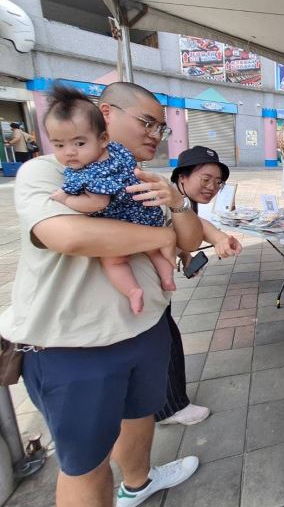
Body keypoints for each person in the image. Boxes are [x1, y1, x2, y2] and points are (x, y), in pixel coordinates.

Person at [0, 81, 204, 507]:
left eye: (161, 127)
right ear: (107, 115)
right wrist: (157, 233)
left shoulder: (141, 177)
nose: (155, 134)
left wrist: (178, 206)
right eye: (147, 122)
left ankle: (140, 481)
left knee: (140, 416)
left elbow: (187, 242)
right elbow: (68, 234)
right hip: (73, 347)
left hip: (145, 328)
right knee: (86, 465)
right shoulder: (52, 172)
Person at [44, 90, 177, 314]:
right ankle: (167, 279)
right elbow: (68, 237)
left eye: (79, 143)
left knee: (114, 262)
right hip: (145, 216)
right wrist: (162, 235)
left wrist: (66, 198)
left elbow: (97, 203)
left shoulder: (89, 173)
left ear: (102, 139)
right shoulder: (120, 154)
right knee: (155, 251)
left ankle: (133, 291)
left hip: (120, 224)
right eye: (58, 145)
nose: (70, 153)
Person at [152, 145, 242, 427]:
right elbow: (185, 225)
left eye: (217, 182)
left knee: (168, 341)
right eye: (205, 179)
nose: (212, 187)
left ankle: (167, 405)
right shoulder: (166, 195)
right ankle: (168, 409)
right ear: (182, 176)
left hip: (157, 293)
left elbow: (192, 224)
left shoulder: (182, 201)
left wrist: (189, 250)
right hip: (142, 293)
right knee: (164, 345)